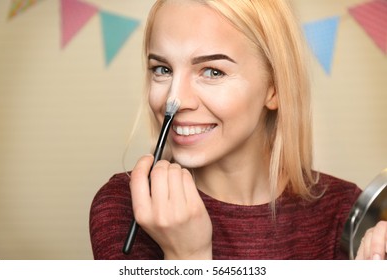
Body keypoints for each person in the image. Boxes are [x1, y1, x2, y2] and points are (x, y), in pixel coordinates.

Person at [89, 0, 387, 260]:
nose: (173, 100)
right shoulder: (124, 208)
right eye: (162, 69)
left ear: (274, 88)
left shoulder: (346, 212)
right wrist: (187, 257)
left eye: (212, 71)